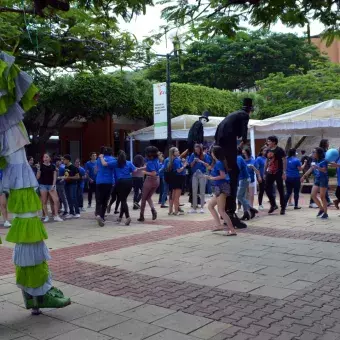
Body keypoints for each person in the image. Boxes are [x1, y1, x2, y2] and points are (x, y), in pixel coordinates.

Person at [215, 98, 253, 228]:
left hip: (221, 142)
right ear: (250, 111)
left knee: (230, 171)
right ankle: (230, 213)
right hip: (227, 141)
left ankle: (226, 212)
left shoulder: (232, 115)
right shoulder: (244, 115)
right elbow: (244, 133)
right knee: (233, 172)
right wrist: (243, 143)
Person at [99, 150, 137, 225]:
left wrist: (101, 157)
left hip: (120, 182)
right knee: (124, 200)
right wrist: (128, 171)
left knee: (123, 200)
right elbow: (135, 170)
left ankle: (128, 217)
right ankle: (120, 217)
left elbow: (104, 164)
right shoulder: (128, 162)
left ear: (118, 156)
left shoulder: (115, 162)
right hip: (129, 181)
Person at [208, 146, 237, 236]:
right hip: (219, 187)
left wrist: (211, 178)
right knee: (210, 206)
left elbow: (223, 176)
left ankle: (232, 230)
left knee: (221, 210)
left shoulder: (219, 163)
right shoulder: (218, 162)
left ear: (215, 153)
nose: (211, 153)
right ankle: (218, 225)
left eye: (212, 152)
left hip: (221, 187)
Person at [301, 147, 329, 219]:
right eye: (312, 152)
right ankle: (321, 209)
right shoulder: (314, 160)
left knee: (322, 196)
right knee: (313, 195)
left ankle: (325, 213)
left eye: (314, 152)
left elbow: (325, 170)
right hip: (317, 179)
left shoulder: (324, 161)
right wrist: (304, 176)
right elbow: (311, 168)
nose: (312, 153)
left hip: (323, 179)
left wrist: (317, 167)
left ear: (318, 153)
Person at [36, 154, 63, 222]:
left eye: (47, 157)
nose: (45, 158)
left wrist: (53, 185)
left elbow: (54, 176)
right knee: (44, 201)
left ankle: (56, 215)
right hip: (43, 185)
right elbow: (37, 177)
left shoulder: (52, 166)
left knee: (56, 200)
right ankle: (46, 216)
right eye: (44, 157)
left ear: (49, 158)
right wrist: (38, 169)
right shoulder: (41, 166)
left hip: (51, 185)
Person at [264, 136, 287, 215]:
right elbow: (267, 161)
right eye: (268, 141)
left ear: (274, 142)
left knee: (280, 189)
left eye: (269, 141)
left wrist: (284, 172)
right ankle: (273, 204)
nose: (268, 143)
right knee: (266, 188)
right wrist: (265, 172)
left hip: (278, 171)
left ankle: (283, 207)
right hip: (270, 171)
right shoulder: (268, 150)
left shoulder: (280, 150)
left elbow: (284, 161)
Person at [138, 146, 160, 222]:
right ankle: (153, 210)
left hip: (150, 180)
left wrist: (145, 172)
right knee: (148, 197)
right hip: (157, 180)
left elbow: (153, 173)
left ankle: (142, 216)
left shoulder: (150, 162)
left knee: (143, 198)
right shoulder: (156, 160)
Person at [188, 144, 212, 213]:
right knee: (194, 191)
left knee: (202, 191)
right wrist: (194, 161)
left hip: (202, 174)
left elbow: (208, 165)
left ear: (200, 149)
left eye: (198, 149)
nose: (197, 151)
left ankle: (202, 207)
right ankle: (194, 207)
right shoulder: (193, 155)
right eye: (196, 149)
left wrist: (200, 161)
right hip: (194, 174)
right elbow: (191, 165)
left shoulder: (205, 155)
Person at [95, 147, 115, 226]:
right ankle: (102, 217)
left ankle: (98, 214)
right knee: (105, 200)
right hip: (108, 182)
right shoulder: (113, 159)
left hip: (99, 181)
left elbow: (96, 170)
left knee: (99, 199)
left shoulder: (98, 159)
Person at [167, 147, 187, 215]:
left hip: (173, 178)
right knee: (177, 196)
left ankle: (170, 210)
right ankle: (176, 211)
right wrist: (184, 165)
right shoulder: (177, 160)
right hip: (178, 178)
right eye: (176, 151)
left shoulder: (169, 160)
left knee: (172, 195)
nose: (178, 152)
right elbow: (179, 170)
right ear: (173, 153)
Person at [63, 154, 80, 218]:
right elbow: (66, 176)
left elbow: (77, 177)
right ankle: (71, 212)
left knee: (73, 198)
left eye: (64, 159)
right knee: (68, 198)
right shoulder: (65, 167)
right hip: (66, 184)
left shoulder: (74, 167)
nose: (63, 161)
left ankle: (77, 212)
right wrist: (63, 178)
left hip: (73, 184)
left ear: (67, 160)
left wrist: (69, 177)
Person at [237, 149, 251, 221]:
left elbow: (237, 168)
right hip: (243, 179)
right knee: (242, 196)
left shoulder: (238, 158)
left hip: (244, 179)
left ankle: (249, 209)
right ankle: (247, 211)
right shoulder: (239, 157)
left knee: (239, 196)